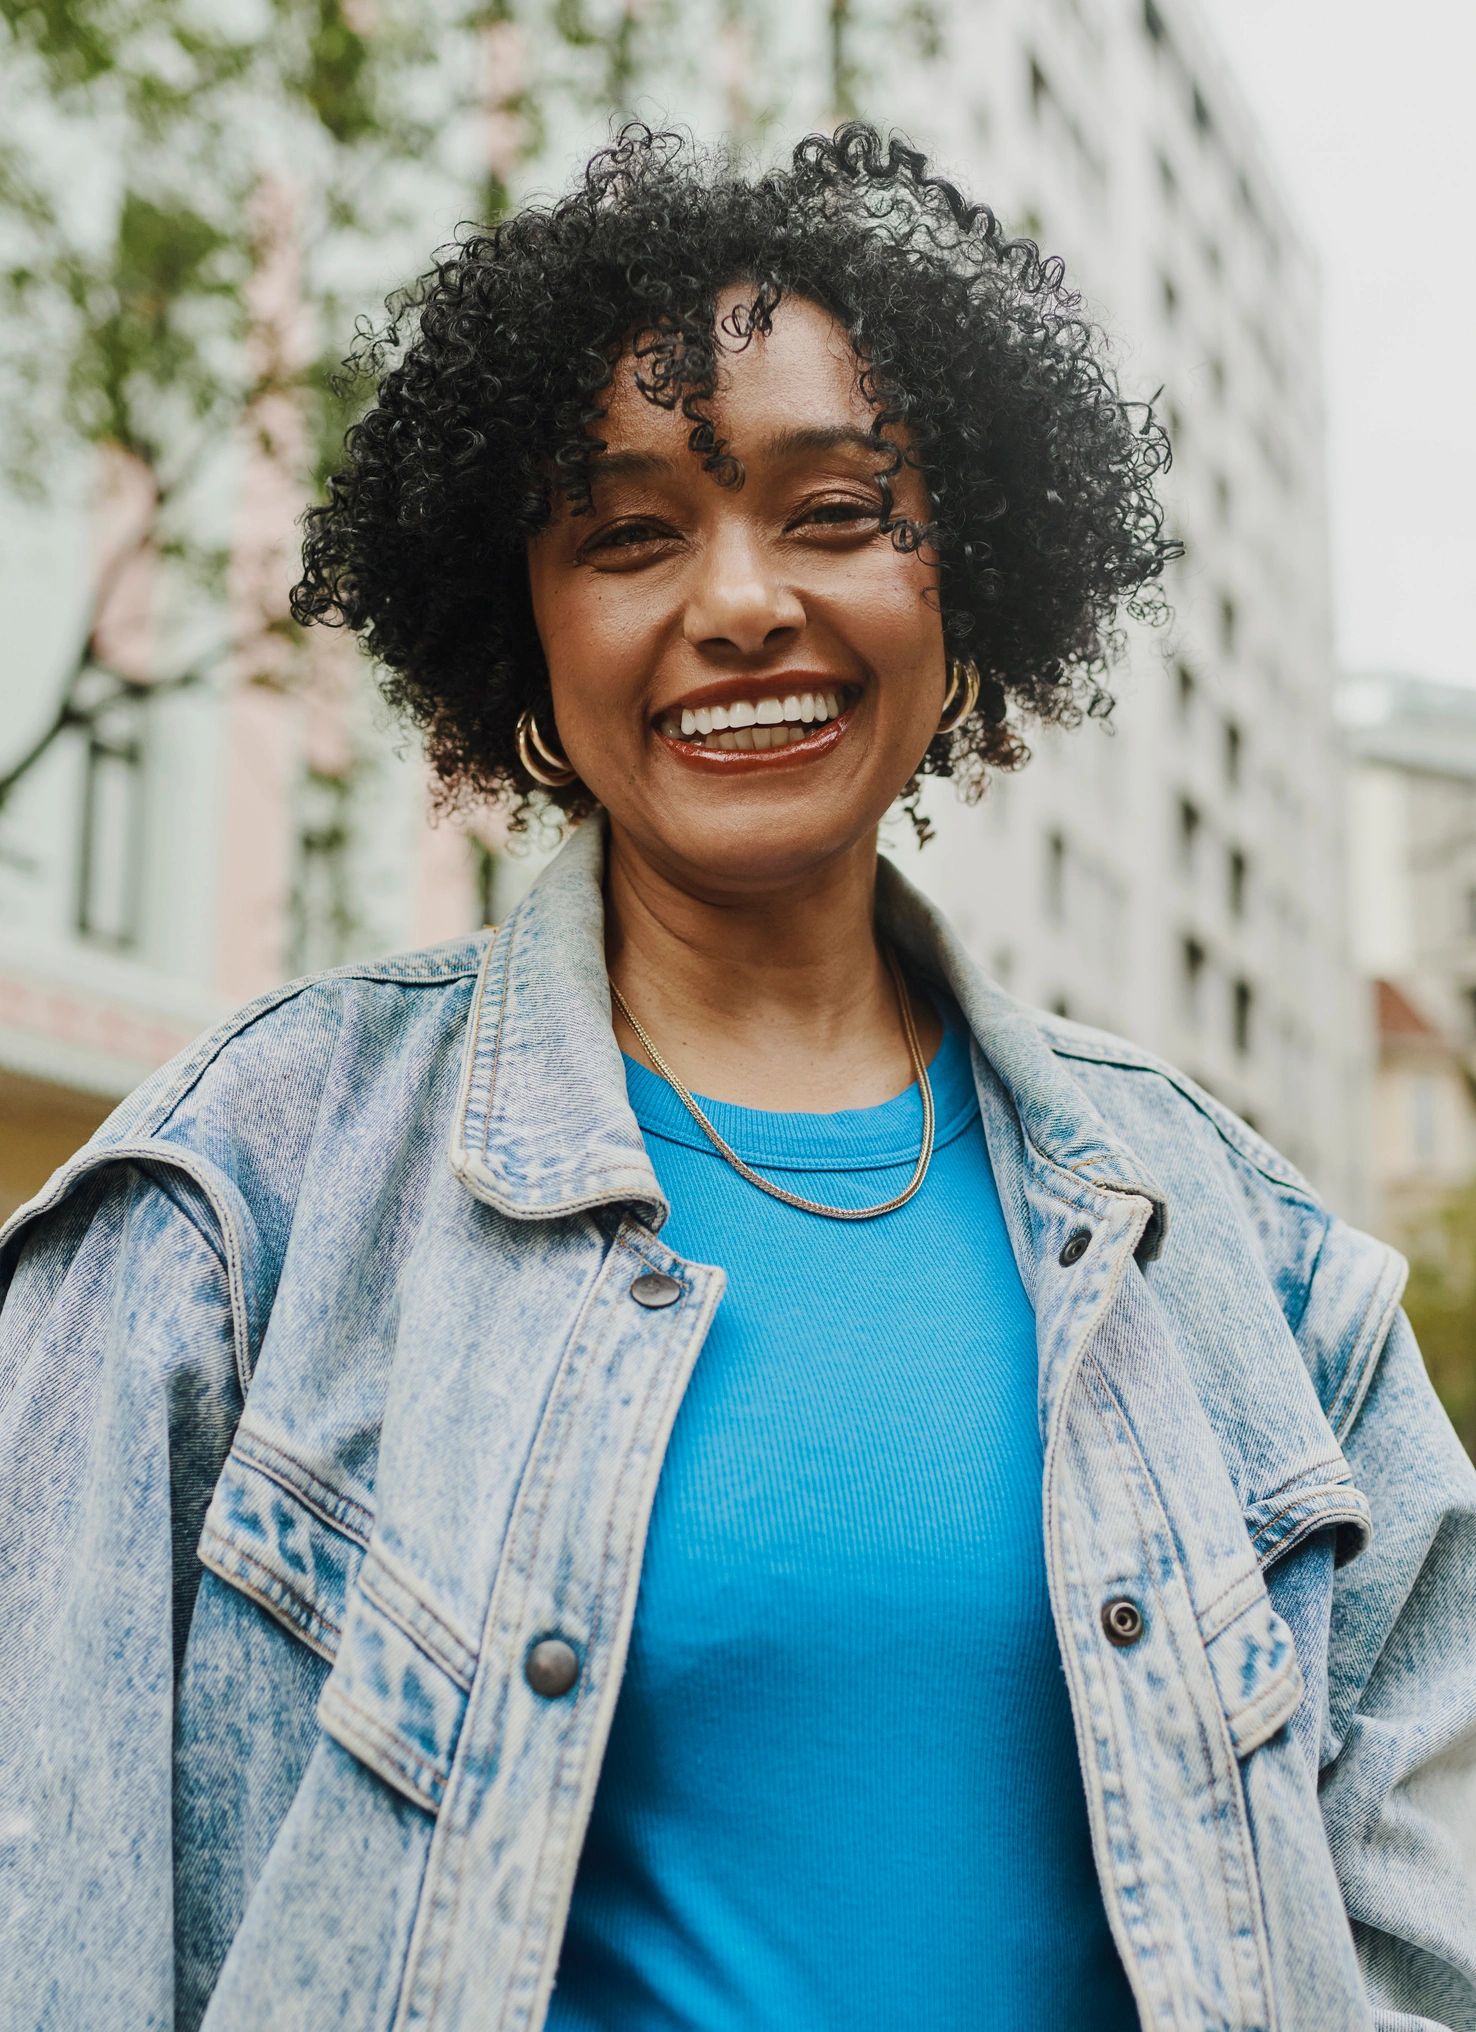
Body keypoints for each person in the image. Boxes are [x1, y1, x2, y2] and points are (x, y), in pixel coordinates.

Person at [2, 120, 1473, 2032]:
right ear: (519, 626)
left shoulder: (1255, 1272)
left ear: (968, 583)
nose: (740, 601)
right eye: (627, 533)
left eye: (839, 510)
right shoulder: (237, 1208)